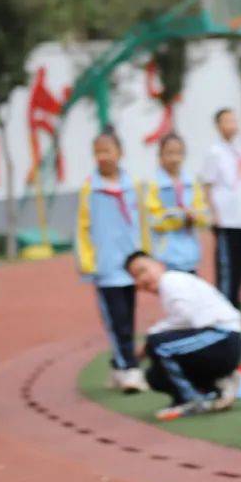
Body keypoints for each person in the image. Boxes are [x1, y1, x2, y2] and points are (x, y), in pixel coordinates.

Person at [125, 252, 241, 421]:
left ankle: (192, 399)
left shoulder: (171, 281)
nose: (142, 279)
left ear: (159, 264)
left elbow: (187, 317)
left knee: (158, 344)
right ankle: (218, 386)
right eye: (135, 276)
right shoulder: (173, 284)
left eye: (143, 270)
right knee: (154, 375)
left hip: (223, 338)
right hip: (219, 341)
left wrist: (152, 335)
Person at [76, 130, 149, 393]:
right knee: (116, 319)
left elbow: (142, 222)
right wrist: (87, 262)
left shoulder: (133, 185)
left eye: (108, 150)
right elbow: (83, 227)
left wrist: (145, 253)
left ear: (120, 153)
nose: (103, 157)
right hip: (106, 266)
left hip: (131, 264)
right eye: (98, 152)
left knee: (128, 317)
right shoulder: (90, 189)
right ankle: (129, 368)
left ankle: (118, 366)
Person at [200, 108, 241, 308]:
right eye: (226, 121)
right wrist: (213, 214)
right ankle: (224, 307)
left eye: (233, 120)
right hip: (224, 218)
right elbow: (207, 184)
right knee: (226, 266)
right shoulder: (214, 152)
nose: (231, 124)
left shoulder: (239, 151)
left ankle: (236, 305)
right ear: (218, 126)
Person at [143, 133, 211, 274]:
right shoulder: (155, 185)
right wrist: (181, 218)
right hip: (167, 258)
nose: (175, 158)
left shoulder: (191, 183)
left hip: (191, 255)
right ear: (160, 156)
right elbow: (154, 220)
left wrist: (195, 218)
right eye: (169, 153)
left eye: (179, 153)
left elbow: (204, 216)